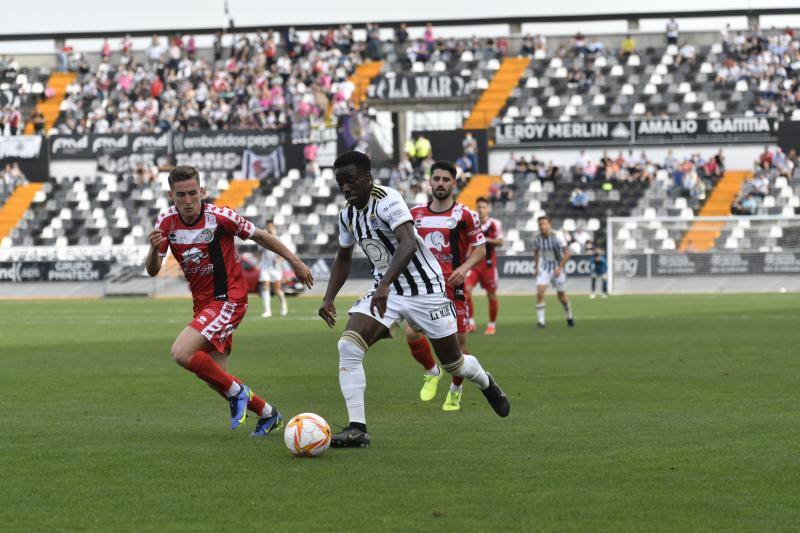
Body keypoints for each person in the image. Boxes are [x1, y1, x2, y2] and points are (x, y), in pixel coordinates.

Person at [318, 151, 509, 448]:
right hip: (388, 291)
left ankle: (485, 380)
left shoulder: (388, 199)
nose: (345, 187)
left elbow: (407, 242)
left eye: (351, 180)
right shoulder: (346, 215)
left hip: (426, 288)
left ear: (368, 178)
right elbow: (343, 258)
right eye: (340, 182)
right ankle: (358, 429)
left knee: (454, 364)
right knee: (348, 346)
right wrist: (329, 298)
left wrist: (384, 283)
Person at [146, 165, 313, 437]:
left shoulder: (220, 217)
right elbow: (153, 269)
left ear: (202, 191)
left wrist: (295, 262)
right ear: (171, 195)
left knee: (181, 352)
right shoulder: (165, 222)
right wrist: (153, 250)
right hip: (204, 304)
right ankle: (269, 414)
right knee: (218, 379)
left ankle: (240, 395)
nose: (187, 201)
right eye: (180, 195)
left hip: (229, 298)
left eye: (192, 193)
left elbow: (260, 235)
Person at [405, 161, 487, 412]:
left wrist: (464, 269)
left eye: (445, 179)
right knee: (411, 333)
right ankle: (431, 371)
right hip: (424, 287)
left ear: (454, 183)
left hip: (454, 287)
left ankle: (456, 390)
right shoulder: (415, 213)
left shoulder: (465, 214)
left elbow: (480, 250)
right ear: (430, 182)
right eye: (436, 179)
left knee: (459, 346)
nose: (440, 184)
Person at [466, 196, 503, 335]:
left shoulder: (494, 224)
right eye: (479, 207)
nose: (481, 210)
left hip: (489, 266)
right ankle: (471, 323)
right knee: (466, 291)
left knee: (491, 295)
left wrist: (486, 239)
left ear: (488, 209)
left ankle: (492, 324)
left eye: (483, 207)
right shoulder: (472, 224)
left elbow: (500, 242)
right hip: (474, 265)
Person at [532, 215, 574, 328]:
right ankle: (541, 322)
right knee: (539, 292)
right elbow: (536, 252)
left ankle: (569, 314)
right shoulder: (537, 238)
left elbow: (567, 253)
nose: (542, 226)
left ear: (549, 225)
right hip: (545, 267)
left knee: (561, 296)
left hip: (557, 268)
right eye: (540, 224)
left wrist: (560, 268)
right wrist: (536, 267)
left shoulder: (557, 236)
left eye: (544, 224)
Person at [259, 220, 289, 318]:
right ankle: (267, 310)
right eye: (268, 226)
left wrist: (279, 260)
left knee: (277, 290)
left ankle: (283, 304)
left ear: (274, 227)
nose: (269, 228)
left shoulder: (279, 239)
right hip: (265, 267)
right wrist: (258, 263)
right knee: (265, 286)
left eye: (271, 226)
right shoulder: (262, 239)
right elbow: (260, 253)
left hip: (275, 268)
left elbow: (284, 254)